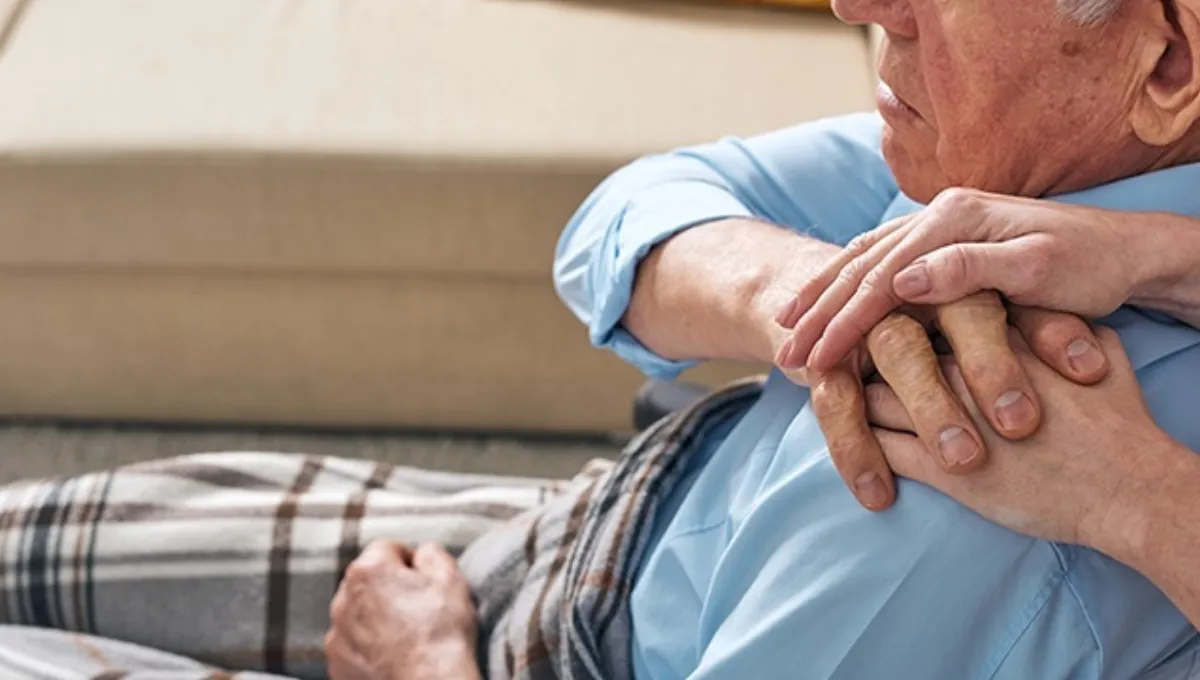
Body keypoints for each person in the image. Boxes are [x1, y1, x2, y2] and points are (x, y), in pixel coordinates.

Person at [0, 1, 1199, 680]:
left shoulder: (992, 471)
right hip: (608, 518)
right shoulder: (1049, 193)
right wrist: (821, 296)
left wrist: (424, 667)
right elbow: (627, 215)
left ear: (1170, 65)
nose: (858, 5)